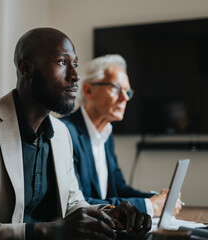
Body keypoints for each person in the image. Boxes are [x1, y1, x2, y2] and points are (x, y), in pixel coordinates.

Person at [0, 28, 151, 240]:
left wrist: (112, 213)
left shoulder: (61, 133)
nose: (75, 75)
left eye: (74, 64)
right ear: (26, 68)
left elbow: (73, 205)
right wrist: (49, 232)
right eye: (62, 62)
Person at [60, 54, 182, 217]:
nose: (125, 98)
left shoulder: (106, 134)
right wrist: (149, 206)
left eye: (127, 91)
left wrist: (157, 199)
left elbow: (120, 189)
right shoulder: (65, 132)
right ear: (88, 91)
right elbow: (78, 203)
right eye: (116, 88)